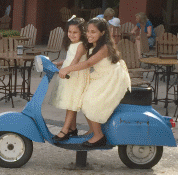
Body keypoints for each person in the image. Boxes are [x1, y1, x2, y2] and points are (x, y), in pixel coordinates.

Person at [59, 18, 131, 147]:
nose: (89, 34)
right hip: (100, 76)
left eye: (93, 32)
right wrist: (60, 64)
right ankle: (93, 130)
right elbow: (80, 58)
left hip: (110, 78)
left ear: (102, 33)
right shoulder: (94, 44)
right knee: (82, 98)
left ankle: (99, 136)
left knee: (90, 101)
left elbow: (88, 63)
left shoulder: (104, 47)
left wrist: (67, 69)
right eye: (88, 31)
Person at [50, 16, 91, 142]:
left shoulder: (81, 45)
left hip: (76, 77)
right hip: (70, 76)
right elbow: (69, 59)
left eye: (75, 32)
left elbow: (75, 61)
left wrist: (66, 69)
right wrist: (60, 63)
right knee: (69, 103)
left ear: (82, 33)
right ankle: (72, 128)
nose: (71, 35)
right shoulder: (73, 44)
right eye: (69, 32)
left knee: (72, 104)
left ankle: (65, 130)